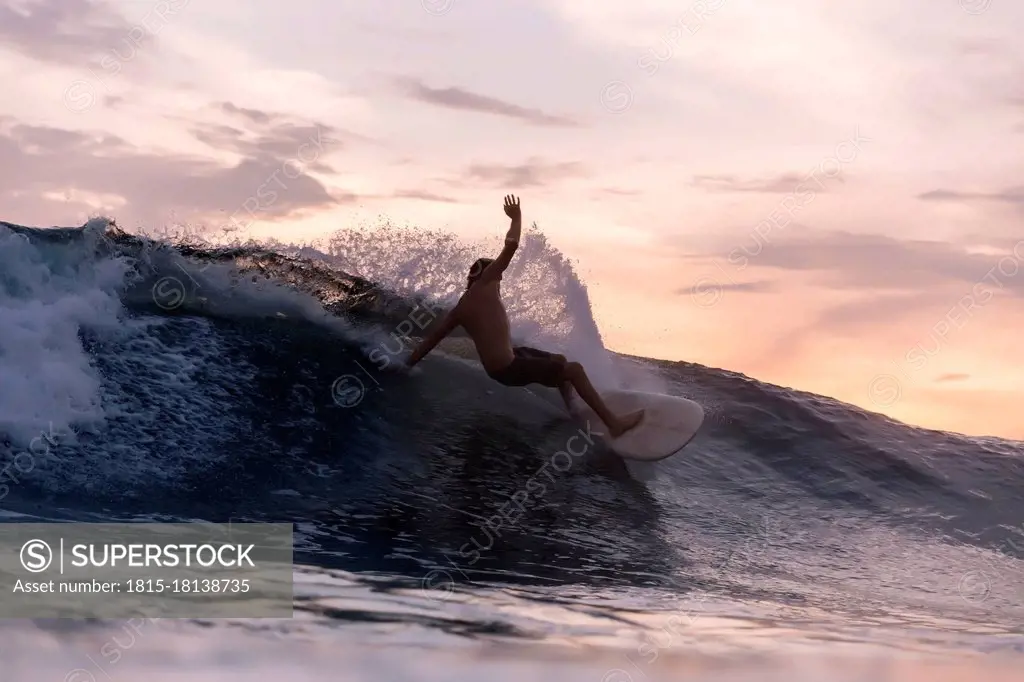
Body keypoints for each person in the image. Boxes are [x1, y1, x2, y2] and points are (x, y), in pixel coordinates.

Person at [405, 195, 644, 438]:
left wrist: (405, 364)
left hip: (502, 366)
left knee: (560, 360)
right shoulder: (486, 283)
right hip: (510, 367)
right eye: (497, 273)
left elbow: (432, 340)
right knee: (575, 370)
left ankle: (575, 413)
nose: (500, 279)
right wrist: (516, 217)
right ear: (484, 273)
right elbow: (511, 246)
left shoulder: (460, 308)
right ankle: (615, 424)